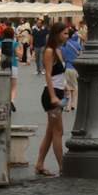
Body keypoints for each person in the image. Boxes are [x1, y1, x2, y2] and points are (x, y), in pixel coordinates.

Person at [34, 26, 72, 177]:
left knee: (50, 132)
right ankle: (62, 167)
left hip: (59, 92)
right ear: (57, 34)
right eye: (65, 33)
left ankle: (39, 164)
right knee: (58, 131)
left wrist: (66, 87)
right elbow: (48, 75)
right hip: (51, 95)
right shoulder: (49, 51)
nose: (67, 36)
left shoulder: (58, 50)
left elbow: (59, 75)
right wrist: (53, 97)